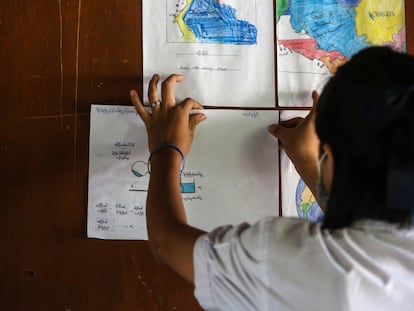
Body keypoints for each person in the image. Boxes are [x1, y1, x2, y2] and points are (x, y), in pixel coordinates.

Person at [129, 46, 414, 310]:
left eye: (323, 154)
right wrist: (306, 160)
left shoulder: (299, 264)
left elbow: (165, 242)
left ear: (330, 154)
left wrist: (166, 149)